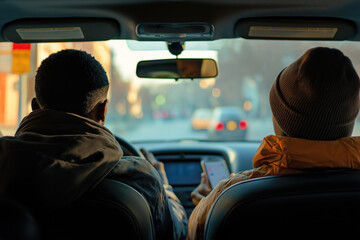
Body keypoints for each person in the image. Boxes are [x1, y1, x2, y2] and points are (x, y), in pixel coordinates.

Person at [0, 49, 187, 240]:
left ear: (35, 107)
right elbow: (176, 234)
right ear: (103, 111)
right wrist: (166, 188)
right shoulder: (140, 179)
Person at [187, 47, 360, 239]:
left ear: (281, 122)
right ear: (350, 122)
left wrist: (208, 202)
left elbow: (194, 233)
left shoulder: (230, 197)